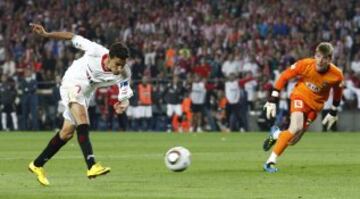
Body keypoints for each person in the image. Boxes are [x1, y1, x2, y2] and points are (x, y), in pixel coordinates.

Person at [28, 23, 133, 185]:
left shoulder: (125, 73)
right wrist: (47, 34)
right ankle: (92, 165)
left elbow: (124, 95)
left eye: (122, 65)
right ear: (109, 57)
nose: (119, 69)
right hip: (73, 80)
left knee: (66, 133)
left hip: (86, 92)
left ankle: (37, 164)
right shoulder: (95, 50)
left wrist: (123, 103)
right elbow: (71, 36)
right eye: (117, 64)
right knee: (83, 120)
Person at [262, 42, 344, 173]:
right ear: (315, 55)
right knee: (296, 127)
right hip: (300, 97)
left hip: (315, 107)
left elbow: (338, 92)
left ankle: (277, 134)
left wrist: (333, 111)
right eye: (318, 56)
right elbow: (284, 76)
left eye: (324, 58)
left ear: (330, 59)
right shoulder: (305, 64)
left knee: (293, 139)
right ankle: (270, 162)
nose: (320, 60)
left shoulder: (337, 75)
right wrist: (273, 99)